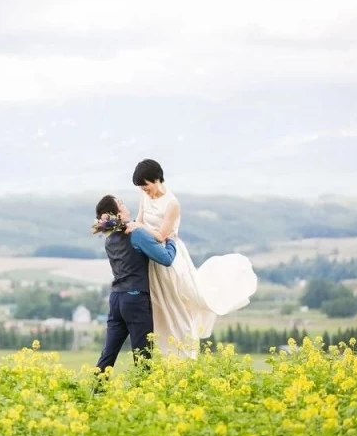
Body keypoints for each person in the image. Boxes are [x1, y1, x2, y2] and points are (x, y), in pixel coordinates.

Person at [126, 159, 257, 358]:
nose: (146, 192)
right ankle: (163, 356)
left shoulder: (172, 203)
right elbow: (140, 220)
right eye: (142, 189)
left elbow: (162, 235)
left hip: (169, 257)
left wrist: (139, 228)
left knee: (177, 305)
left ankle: (185, 353)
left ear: (157, 179)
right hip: (152, 258)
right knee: (159, 308)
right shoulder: (144, 197)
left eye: (147, 187)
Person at [93, 194, 177, 374]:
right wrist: (171, 241)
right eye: (120, 204)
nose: (124, 205)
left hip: (116, 300)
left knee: (108, 353)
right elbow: (166, 259)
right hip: (135, 299)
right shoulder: (136, 235)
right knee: (142, 354)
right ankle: (143, 396)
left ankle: (94, 392)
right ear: (118, 214)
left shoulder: (109, 239)